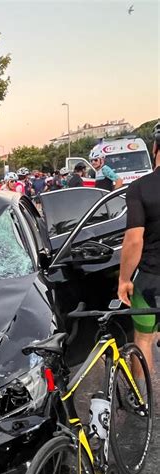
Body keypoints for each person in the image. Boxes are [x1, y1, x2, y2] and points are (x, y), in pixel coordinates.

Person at [117, 122, 160, 372]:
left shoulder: (139, 188)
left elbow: (134, 240)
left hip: (151, 279)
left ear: (154, 147)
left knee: (143, 340)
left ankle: (142, 404)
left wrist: (124, 279)